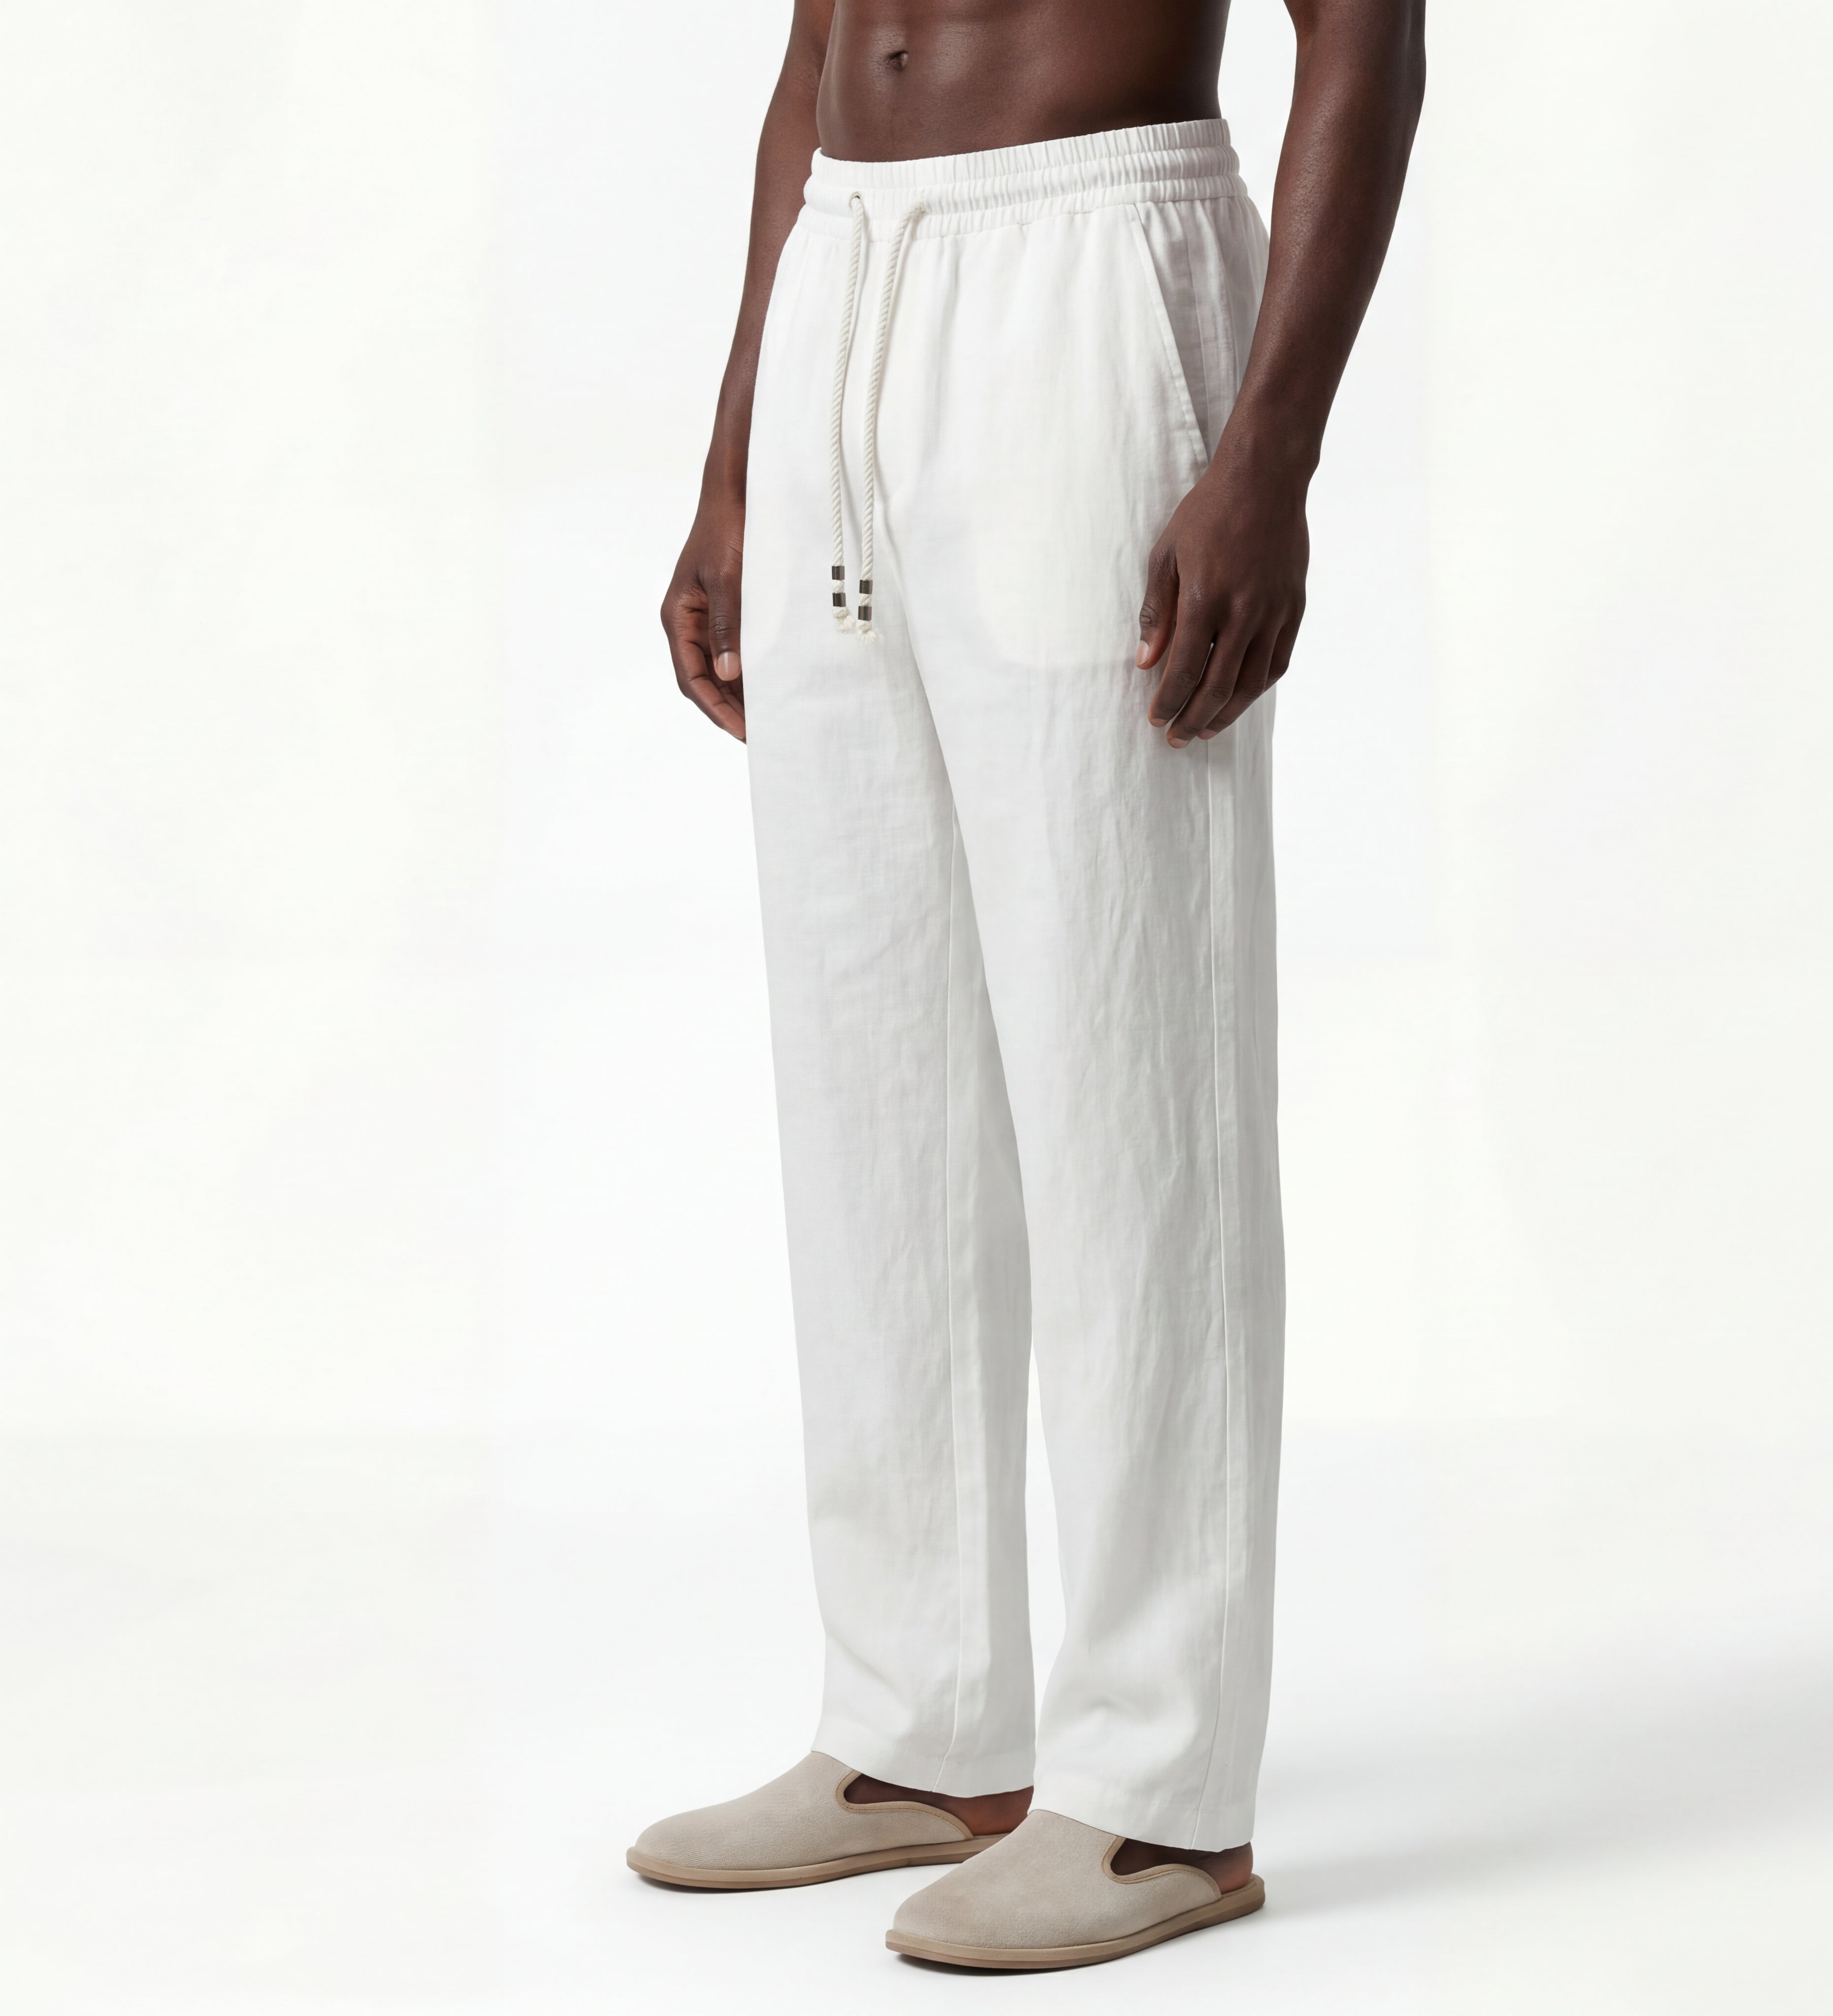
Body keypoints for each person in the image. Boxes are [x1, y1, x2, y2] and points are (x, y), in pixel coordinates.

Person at [631, 0, 1423, 1970]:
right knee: (872, 1063)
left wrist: (1269, 454)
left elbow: (1366, 33)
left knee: (1130, 1066)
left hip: (1092, 263)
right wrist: (737, 461)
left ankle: (1161, 1788)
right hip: (846, 271)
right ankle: (920, 1727)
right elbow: (814, 47)